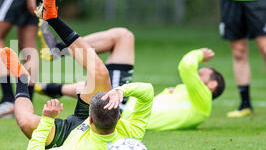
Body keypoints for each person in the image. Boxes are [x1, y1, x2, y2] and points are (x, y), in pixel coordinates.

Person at [0, 0, 154, 150]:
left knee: (26, 122)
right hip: (101, 120)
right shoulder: (131, 132)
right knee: (99, 73)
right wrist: (120, 90)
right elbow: (148, 91)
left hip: (66, 137)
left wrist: (48, 119)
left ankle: (21, 78)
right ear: (120, 117)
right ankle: (51, 18)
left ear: (90, 120)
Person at [37, 29, 226, 132]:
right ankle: (50, 81)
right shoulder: (190, 98)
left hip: (121, 111)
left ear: (212, 85)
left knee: (120, 42)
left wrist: (199, 54)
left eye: (201, 74)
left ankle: (54, 61)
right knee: (123, 37)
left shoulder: (203, 100)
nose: (196, 75)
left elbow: (186, 66)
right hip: (126, 106)